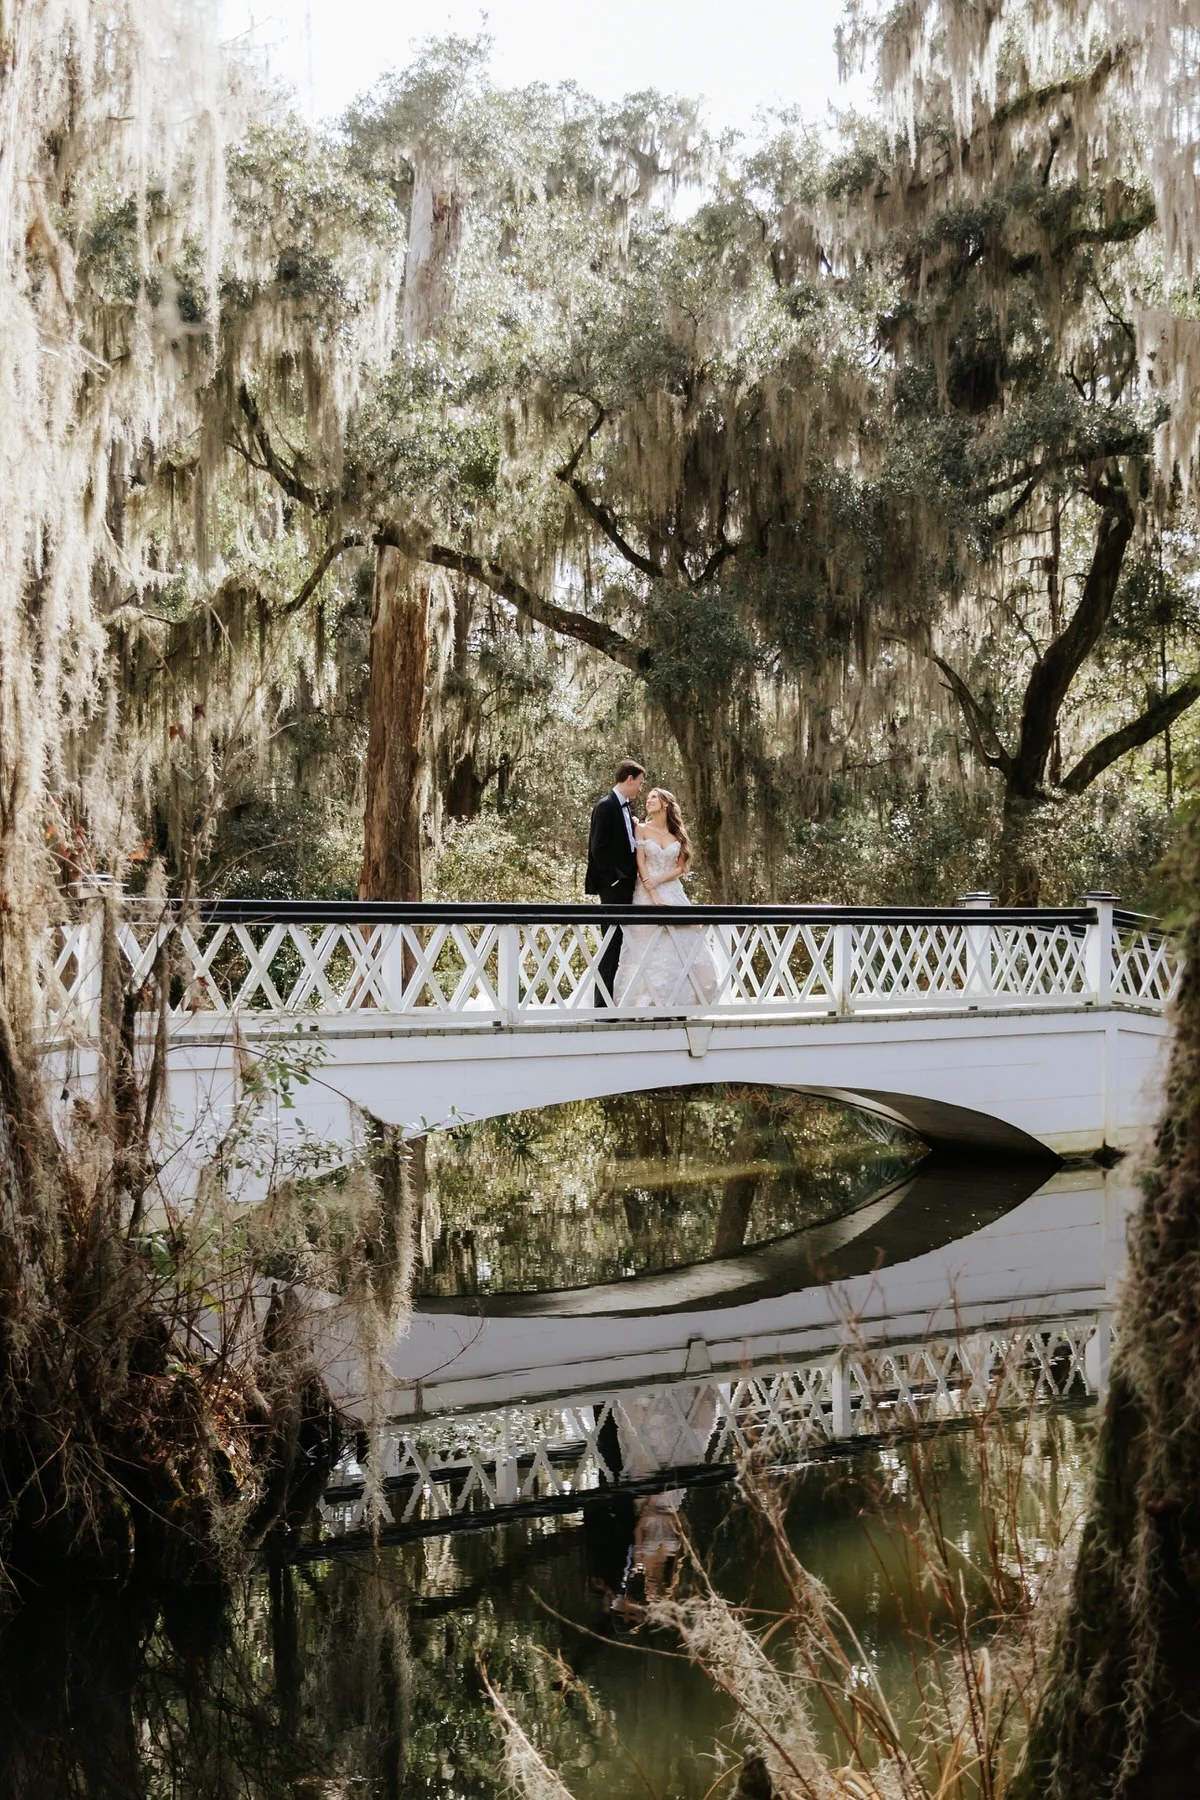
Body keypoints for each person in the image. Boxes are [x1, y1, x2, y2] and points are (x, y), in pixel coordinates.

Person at [614, 787, 719, 1008]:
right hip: (646, 890)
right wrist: (651, 889)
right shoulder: (641, 829)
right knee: (647, 944)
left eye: (654, 797)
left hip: (671, 889)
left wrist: (660, 880)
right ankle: (644, 1002)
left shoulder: (676, 833)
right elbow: (640, 862)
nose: (648, 800)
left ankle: (681, 1001)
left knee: (682, 941)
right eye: (648, 797)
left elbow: (681, 868)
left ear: (665, 804)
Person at [585, 759, 645, 1006]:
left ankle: (613, 999)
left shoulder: (626, 808)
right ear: (629, 779)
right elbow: (598, 849)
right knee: (611, 944)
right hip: (613, 887)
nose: (640, 788)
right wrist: (616, 879)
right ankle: (602, 1004)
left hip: (627, 886)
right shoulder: (606, 806)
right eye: (640, 783)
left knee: (621, 945)